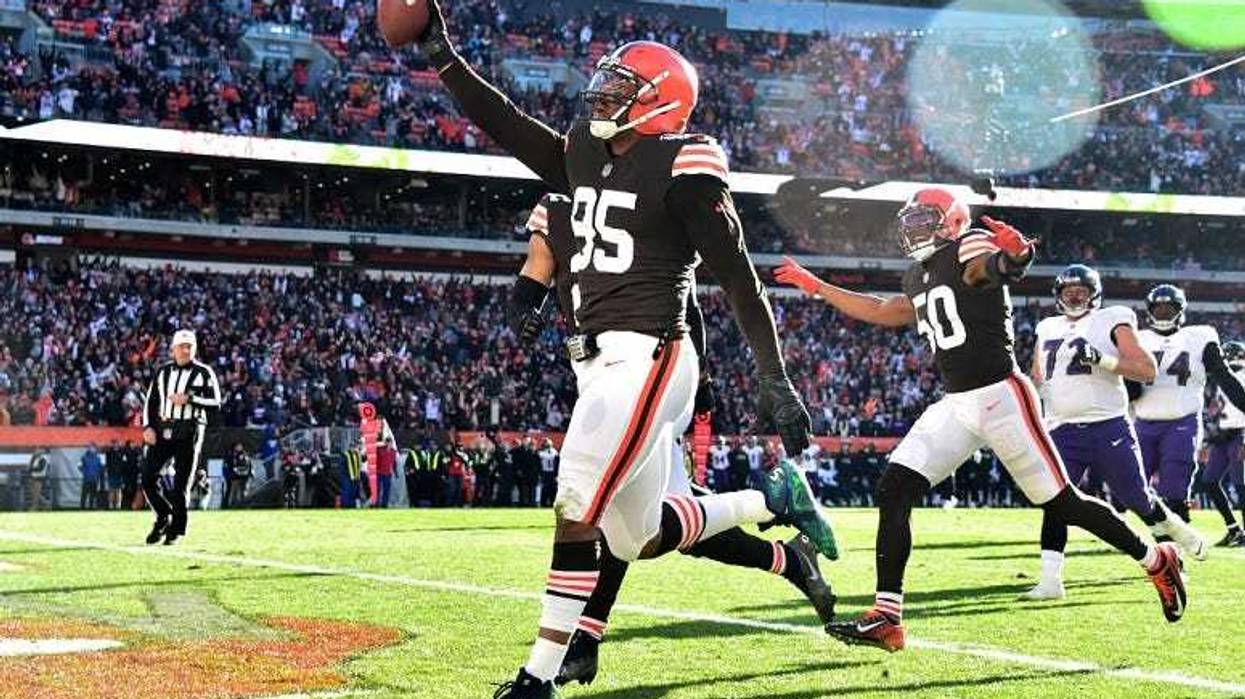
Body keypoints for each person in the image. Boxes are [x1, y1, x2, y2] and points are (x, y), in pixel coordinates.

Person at [414, 5, 828, 688]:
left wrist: (771, 375)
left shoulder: (685, 163)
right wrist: (444, 59)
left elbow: (738, 278)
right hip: (598, 359)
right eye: (605, 84)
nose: (602, 95)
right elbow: (512, 129)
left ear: (660, 101)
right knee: (634, 533)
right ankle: (769, 501)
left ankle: (536, 675)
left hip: (651, 353)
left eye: (621, 87)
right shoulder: (582, 148)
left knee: (576, 498)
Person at [777, 187, 1188, 652]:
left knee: (1062, 503)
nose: (913, 228)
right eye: (909, 220)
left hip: (1001, 396)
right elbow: (884, 310)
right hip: (957, 403)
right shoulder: (918, 274)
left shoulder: (968, 245)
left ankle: (1156, 557)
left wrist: (1014, 257)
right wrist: (816, 286)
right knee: (894, 488)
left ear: (952, 221)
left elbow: (986, 270)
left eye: (924, 218)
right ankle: (887, 617)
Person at [515, 192, 836, 687]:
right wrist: (523, 307)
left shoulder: (636, 197)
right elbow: (535, 271)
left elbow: (685, 299)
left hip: (649, 370)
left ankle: (579, 643)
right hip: (598, 369)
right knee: (646, 531)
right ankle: (782, 532)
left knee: (599, 502)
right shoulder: (560, 205)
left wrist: (700, 379)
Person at [1025, 265, 1205, 600]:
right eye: (1068, 291)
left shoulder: (1113, 317)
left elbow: (1147, 370)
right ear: (1058, 296)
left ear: (1094, 293)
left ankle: (1179, 535)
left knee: (1136, 498)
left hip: (1107, 424)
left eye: (1081, 290)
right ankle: (1051, 580)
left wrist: (1104, 361)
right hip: (1062, 428)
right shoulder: (1046, 326)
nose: (1075, 296)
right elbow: (1039, 374)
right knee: (1055, 500)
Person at [1134, 284, 1245, 528]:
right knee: (1133, 487)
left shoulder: (1199, 336)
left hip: (1181, 419)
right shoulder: (1138, 338)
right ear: (1150, 310)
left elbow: (1224, 376)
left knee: (1175, 487)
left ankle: (1177, 540)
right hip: (1143, 421)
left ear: (1180, 310)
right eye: (1159, 308)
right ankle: (1160, 533)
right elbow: (1127, 386)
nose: (1163, 313)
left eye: (1169, 308)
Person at [141, 328, 222, 545]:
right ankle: (163, 515)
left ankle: (175, 530)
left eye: (189, 347)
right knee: (147, 477)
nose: (185, 351)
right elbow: (152, 400)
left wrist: (190, 399)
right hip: (163, 428)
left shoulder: (204, 373)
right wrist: (147, 426)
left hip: (190, 430)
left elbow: (215, 402)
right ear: (173, 349)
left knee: (181, 483)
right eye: (181, 347)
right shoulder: (163, 372)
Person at [1200, 341, 1245, 547]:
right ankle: (1234, 529)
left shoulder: (1238, 374)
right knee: (1209, 481)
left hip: (1240, 434)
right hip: (1222, 436)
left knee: (1241, 485)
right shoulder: (1218, 379)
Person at [223, 442, 252, 509]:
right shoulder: (231, 455)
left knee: (244, 491)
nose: (239, 447)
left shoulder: (245, 455)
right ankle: (232, 505)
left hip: (245, 476)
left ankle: (244, 505)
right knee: (233, 491)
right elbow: (230, 465)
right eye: (238, 446)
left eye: (240, 446)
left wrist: (250, 472)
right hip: (234, 476)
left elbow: (249, 464)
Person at [79, 442, 103, 510]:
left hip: (94, 479)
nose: (92, 449)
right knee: (84, 495)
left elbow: (100, 467)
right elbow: (79, 466)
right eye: (90, 447)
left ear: (95, 449)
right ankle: (82, 508)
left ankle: (91, 508)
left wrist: (97, 474)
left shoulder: (98, 458)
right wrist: (85, 473)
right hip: (86, 479)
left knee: (92, 495)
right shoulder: (84, 457)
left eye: (93, 448)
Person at [375, 436, 397, 508]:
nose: (389, 444)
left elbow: (394, 463)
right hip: (379, 472)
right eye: (387, 442)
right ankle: (376, 504)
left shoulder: (393, 451)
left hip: (388, 473)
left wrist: (395, 472)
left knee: (386, 490)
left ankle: (384, 504)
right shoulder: (380, 450)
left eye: (390, 442)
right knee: (378, 489)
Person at [538, 438, 559, 508]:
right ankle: (550, 503)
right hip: (551, 473)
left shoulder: (541, 453)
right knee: (551, 490)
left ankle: (544, 503)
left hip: (546, 473)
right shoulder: (555, 452)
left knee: (546, 490)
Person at [105, 439, 125, 509]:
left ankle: (118, 505)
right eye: (114, 444)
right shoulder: (109, 453)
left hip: (120, 474)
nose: (116, 445)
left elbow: (123, 463)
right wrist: (108, 472)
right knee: (111, 490)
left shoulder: (122, 452)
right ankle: (110, 505)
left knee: (119, 490)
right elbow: (107, 464)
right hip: (111, 474)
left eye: (117, 444)